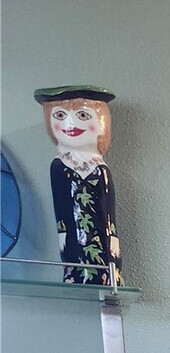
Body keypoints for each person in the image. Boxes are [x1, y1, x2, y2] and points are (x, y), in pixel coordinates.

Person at [33, 84, 121, 286]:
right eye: (60, 115)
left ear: (101, 123)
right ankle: (76, 276)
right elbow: (61, 204)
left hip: (101, 232)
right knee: (73, 254)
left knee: (107, 256)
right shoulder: (59, 166)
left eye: (82, 115)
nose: (70, 123)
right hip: (72, 231)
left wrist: (113, 236)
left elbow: (108, 208)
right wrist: (62, 232)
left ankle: (108, 277)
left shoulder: (99, 168)